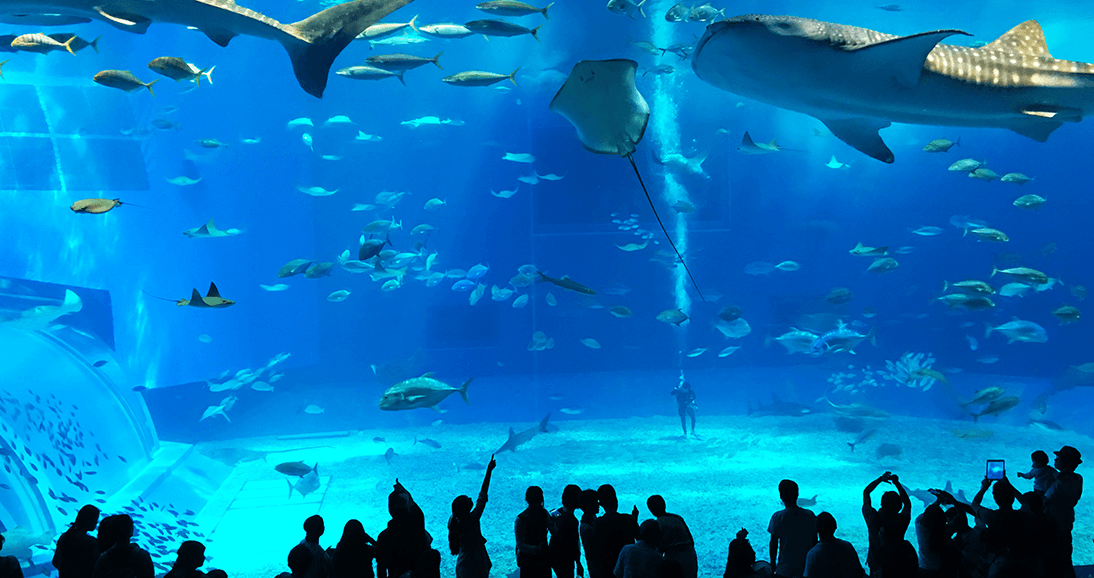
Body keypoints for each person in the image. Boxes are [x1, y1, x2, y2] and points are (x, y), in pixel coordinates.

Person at [448, 455, 497, 578]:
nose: (470, 498)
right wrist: (489, 471)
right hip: (476, 563)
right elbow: (482, 496)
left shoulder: (452, 520)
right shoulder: (472, 519)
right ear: (465, 508)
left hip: (462, 563)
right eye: (467, 499)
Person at [377, 480, 434, 578]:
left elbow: (381, 567)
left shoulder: (384, 536)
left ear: (390, 509)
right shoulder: (417, 524)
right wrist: (403, 491)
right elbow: (414, 506)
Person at [861, 471, 910, 577]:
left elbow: (866, 493)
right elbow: (908, 504)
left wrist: (880, 479)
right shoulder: (901, 521)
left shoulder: (872, 518)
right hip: (898, 563)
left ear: (881, 504)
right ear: (899, 507)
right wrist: (897, 483)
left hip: (876, 564)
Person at [1044, 445, 1083, 578]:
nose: (1055, 460)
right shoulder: (1078, 478)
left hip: (1052, 527)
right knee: (1066, 561)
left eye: (1058, 458)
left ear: (1065, 462)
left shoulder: (1058, 484)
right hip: (1066, 524)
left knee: (1051, 563)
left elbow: (1044, 502)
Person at [767, 480, 816, 578]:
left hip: (784, 569)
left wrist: (772, 565)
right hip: (806, 569)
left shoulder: (778, 517)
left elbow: (773, 544)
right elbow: (815, 541)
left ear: (781, 496)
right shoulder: (810, 515)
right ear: (797, 494)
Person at [645, 496, 696, 578]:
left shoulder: (658, 524)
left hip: (673, 558)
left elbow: (659, 549)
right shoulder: (677, 518)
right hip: (690, 554)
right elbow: (691, 539)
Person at [594, 485, 639, 578]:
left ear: (601, 504)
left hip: (608, 569)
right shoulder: (628, 519)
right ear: (616, 501)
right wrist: (634, 519)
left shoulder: (598, 523)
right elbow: (639, 538)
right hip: (629, 567)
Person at [802, 512, 862, 578]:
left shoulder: (813, 554)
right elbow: (858, 572)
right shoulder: (848, 546)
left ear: (816, 528)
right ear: (835, 526)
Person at [53, 505, 100, 578]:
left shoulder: (65, 537)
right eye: (96, 519)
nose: (97, 522)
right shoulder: (90, 542)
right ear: (89, 520)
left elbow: (55, 562)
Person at [515, 486, 551, 578]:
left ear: (527, 499)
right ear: (541, 499)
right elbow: (554, 531)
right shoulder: (545, 513)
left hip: (528, 560)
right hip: (542, 557)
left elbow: (520, 544)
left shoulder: (520, 519)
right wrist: (538, 549)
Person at [549, 484, 584, 578]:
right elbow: (574, 543)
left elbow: (553, 520)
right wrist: (578, 562)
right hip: (566, 558)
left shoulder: (556, 512)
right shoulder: (573, 521)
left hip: (553, 554)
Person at [578, 490, 600, 578]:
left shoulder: (593, 518)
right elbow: (594, 549)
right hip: (596, 567)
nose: (598, 504)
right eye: (596, 502)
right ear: (590, 505)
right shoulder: (586, 527)